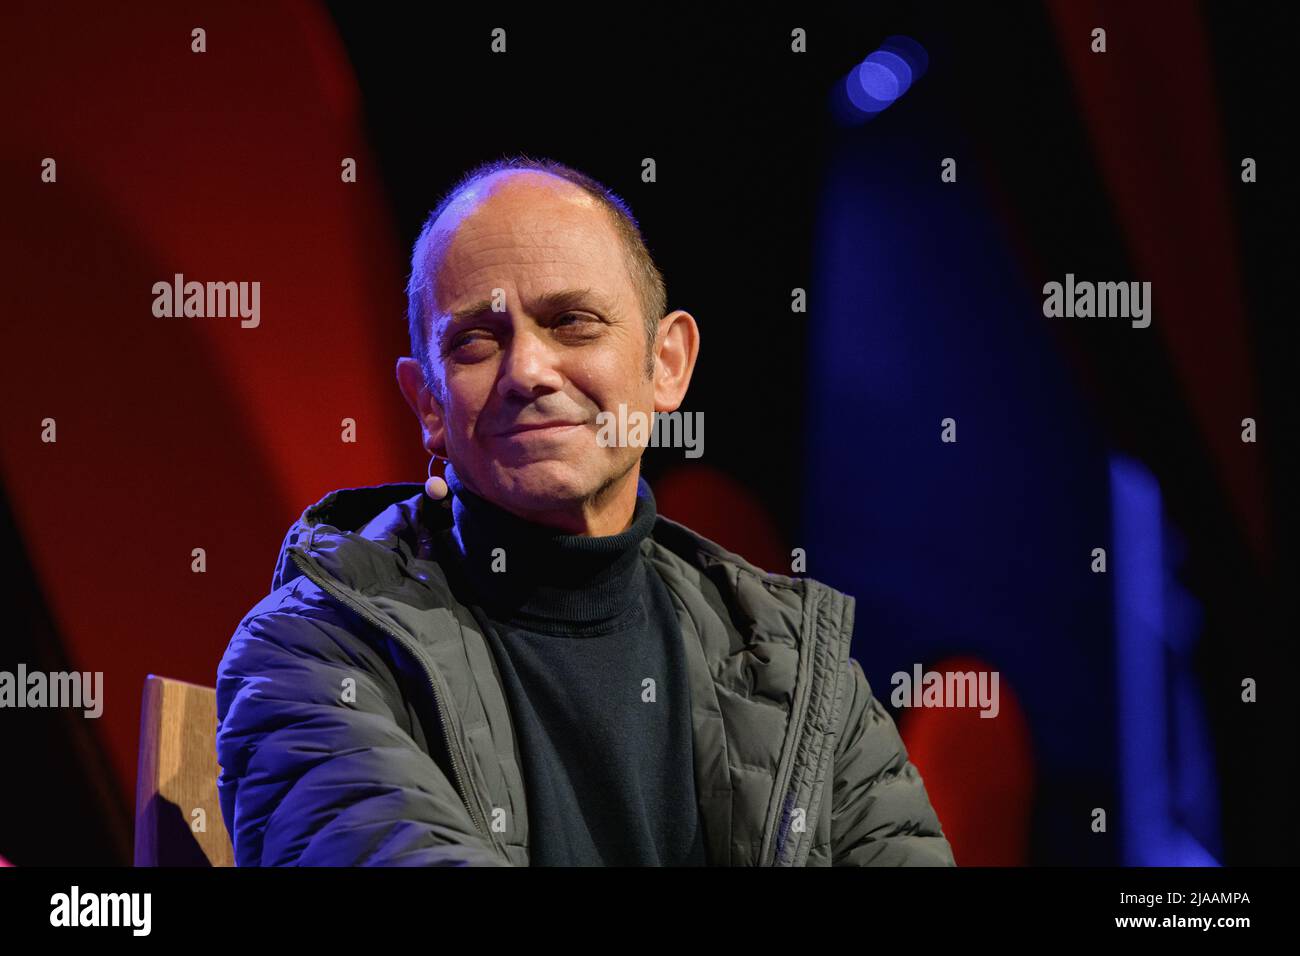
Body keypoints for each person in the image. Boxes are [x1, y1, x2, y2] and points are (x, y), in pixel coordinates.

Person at [215, 155, 955, 866]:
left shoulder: (799, 666)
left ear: (666, 366)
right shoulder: (314, 650)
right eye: (475, 340)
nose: (528, 372)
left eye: (572, 322)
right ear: (429, 404)